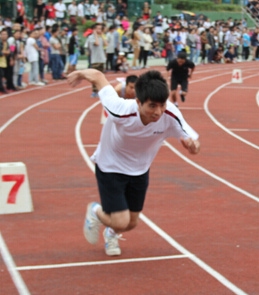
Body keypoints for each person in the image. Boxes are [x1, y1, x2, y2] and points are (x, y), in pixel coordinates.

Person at [68, 69, 200, 256]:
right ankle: (96, 212)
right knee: (121, 220)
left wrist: (193, 147)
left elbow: (194, 143)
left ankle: (111, 233)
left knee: (132, 223)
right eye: (152, 106)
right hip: (110, 165)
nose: (158, 112)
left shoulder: (170, 114)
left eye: (162, 105)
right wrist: (80, 73)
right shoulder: (119, 109)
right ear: (138, 102)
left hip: (139, 170)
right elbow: (98, 76)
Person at [86, 23, 107, 97]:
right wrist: (95, 34)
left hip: (101, 59)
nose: (99, 30)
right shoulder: (91, 37)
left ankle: (101, 91)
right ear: (94, 29)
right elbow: (97, 43)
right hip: (95, 60)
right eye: (98, 29)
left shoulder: (101, 37)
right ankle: (94, 91)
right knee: (95, 77)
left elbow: (106, 44)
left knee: (101, 77)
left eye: (100, 29)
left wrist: (101, 35)